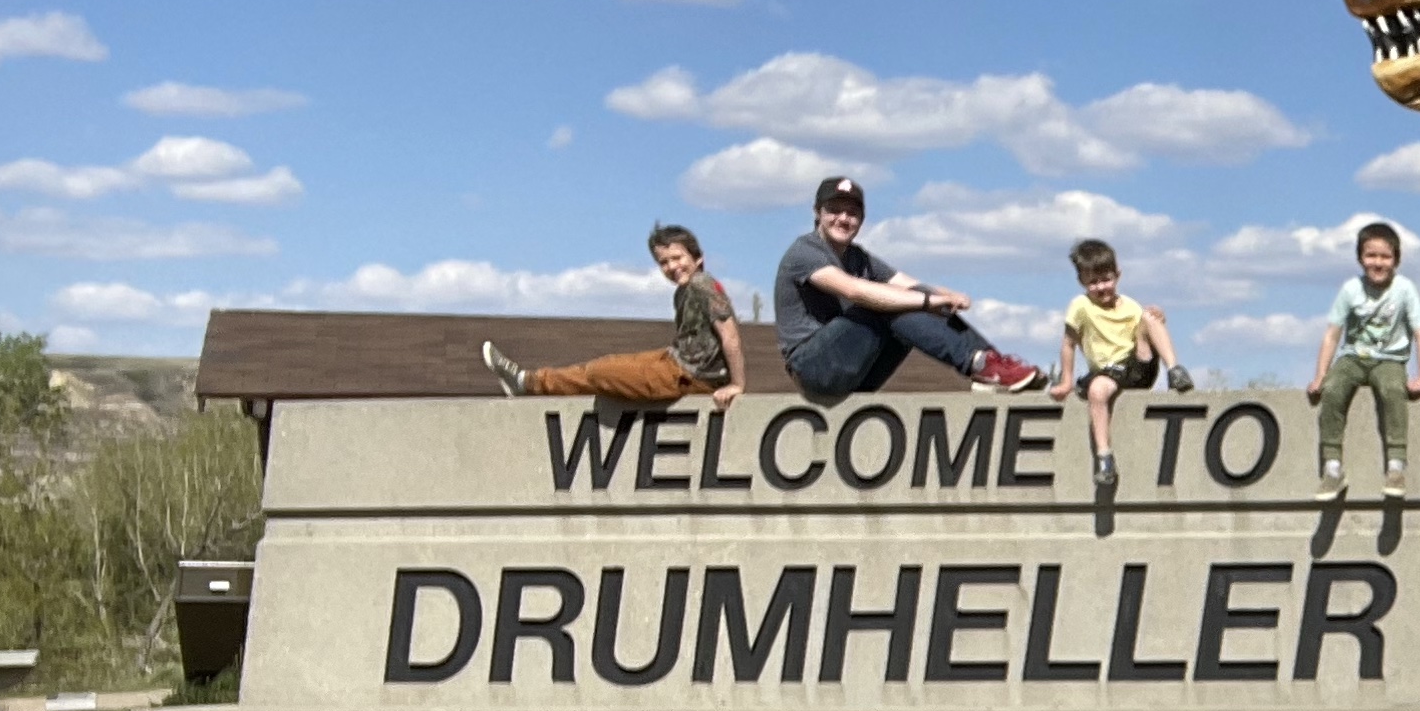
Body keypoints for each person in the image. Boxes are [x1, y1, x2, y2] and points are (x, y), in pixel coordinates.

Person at [774, 177, 1042, 401]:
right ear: (817, 212)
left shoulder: (859, 258)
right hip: (813, 368)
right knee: (888, 302)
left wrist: (944, 296)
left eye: (852, 213)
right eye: (834, 210)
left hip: (855, 371)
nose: (843, 219)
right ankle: (980, 364)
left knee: (910, 299)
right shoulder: (805, 252)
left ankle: (991, 362)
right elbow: (854, 291)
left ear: (862, 219)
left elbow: (908, 284)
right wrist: (927, 301)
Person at [484, 224, 744, 407]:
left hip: (690, 376)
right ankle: (526, 381)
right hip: (675, 360)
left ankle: (528, 383)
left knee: (601, 373)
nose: (672, 267)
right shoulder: (683, 292)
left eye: (678, 258)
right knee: (601, 366)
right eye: (664, 262)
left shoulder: (702, 284)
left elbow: (730, 336)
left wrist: (736, 385)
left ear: (698, 258)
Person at [1052, 238, 1185, 493]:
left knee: (1150, 316)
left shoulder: (1130, 306)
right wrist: (1066, 381)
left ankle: (1174, 370)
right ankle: (1104, 458)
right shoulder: (1081, 306)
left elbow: (1146, 334)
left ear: (1118, 275)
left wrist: (1158, 318)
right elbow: (1068, 344)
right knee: (1097, 391)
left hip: (1137, 366)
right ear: (1081, 282)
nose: (1101, 287)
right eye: (1093, 282)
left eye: (1106, 279)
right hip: (1108, 372)